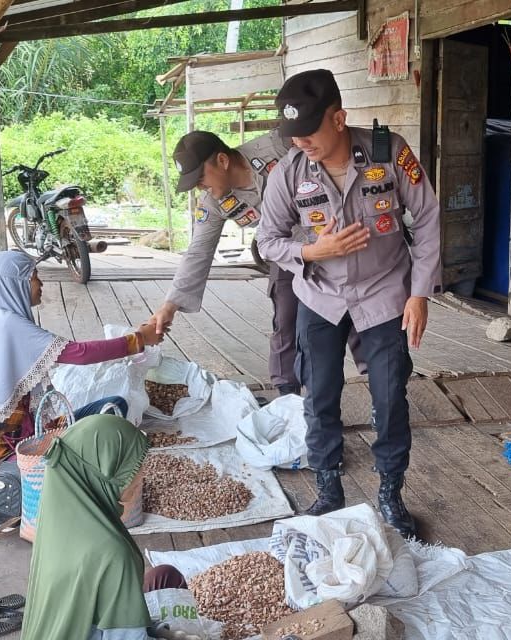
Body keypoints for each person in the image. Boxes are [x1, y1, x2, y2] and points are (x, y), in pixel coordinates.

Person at [256, 69, 443, 539]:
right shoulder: (289, 172)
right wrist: (312, 251)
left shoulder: (390, 151)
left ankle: (390, 492)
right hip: (319, 297)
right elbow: (267, 239)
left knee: (389, 396)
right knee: (319, 397)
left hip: (385, 295)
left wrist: (420, 293)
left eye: (309, 131)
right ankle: (328, 488)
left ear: (339, 118)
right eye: (292, 134)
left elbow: (426, 218)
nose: (300, 142)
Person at [146, 128, 362, 397]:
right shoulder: (215, 202)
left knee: (358, 315)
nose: (200, 187)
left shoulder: (278, 145)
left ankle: (378, 388)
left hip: (338, 241)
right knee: (285, 322)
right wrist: (170, 306)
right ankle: (288, 399)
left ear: (222, 161)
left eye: (200, 177)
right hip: (289, 254)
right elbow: (198, 253)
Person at [0, 250, 163, 486]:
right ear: (16, 284)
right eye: (34, 276)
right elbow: (80, 354)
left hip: (25, 439)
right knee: (97, 443)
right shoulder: (7, 324)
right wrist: (138, 340)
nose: (41, 283)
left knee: (114, 406)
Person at [23, 414, 187, 639]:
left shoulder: (57, 519)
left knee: (165, 576)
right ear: (103, 473)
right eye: (131, 466)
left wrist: (159, 630)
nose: (141, 474)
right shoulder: (112, 554)